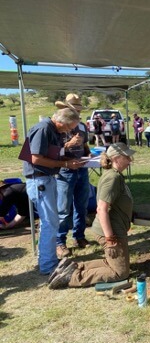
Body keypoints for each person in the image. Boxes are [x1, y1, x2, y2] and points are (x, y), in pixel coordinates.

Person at [48, 142, 136, 290]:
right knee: (120, 273)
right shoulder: (112, 178)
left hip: (115, 228)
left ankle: (72, 266)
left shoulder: (116, 176)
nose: (130, 161)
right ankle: (72, 277)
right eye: (127, 157)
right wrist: (110, 239)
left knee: (114, 263)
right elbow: (101, 209)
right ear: (116, 158)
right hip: (110, 231)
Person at [22, 107, 83, 275]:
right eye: (70, 127)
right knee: (50, 222)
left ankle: (47, 260)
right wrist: (65, 164)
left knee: (49, 221)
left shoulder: (51, 129)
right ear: (61, 122)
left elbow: (50, 153)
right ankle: (48, 265)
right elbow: (35, 158)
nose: (70, 131)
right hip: (39, 180)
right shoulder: (43, 129)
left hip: (46, 179)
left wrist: (68, 159)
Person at [54, 94, 91, 258]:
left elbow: (85, 144)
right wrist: (69, 144)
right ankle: (60, 241)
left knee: (81, 205)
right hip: (65, 169)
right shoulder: (58, 125)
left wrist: (89, 155)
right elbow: (52, 150)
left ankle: (79, 236)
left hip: (82, 168)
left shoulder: (82, 126)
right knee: (64, 207)